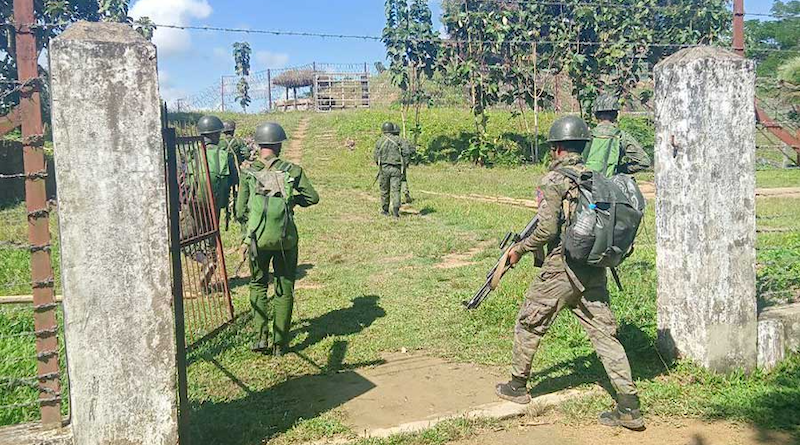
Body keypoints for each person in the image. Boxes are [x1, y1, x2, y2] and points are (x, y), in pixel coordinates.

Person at [495, 115, 645, 431]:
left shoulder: (554, 181)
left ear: (558, 148)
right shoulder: (595, 177)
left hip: (561, 268)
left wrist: (519, 249)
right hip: (593, 267)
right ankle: (629, 406)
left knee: (530, 322)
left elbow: (547, 229)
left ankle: (517, 386)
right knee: (604, 334)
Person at [235, 122, 319, 355]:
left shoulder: (249, 172)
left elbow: (240, 210)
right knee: (284, 286)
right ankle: (280, 343)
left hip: (257, 239)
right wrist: (292, 202)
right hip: (286, 239)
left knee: (258, 284)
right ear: (278, 145)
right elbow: (313, 198)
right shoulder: (292, 170)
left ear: (260, 145)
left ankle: (260, 338)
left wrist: (248, 231)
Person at [584, 93, 651, 176]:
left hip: (587, 184)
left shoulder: (585, 135)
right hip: (610, 184)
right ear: (615, 115)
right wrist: (619, 169)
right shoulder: (622, 136)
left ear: (596, 115)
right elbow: (644, 162)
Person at [197, 115, 238, 225]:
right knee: (212, 229)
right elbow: (235, 180)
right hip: (215, 200)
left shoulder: (193, 153)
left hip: (194, 201)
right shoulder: (225, 155)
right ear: (216, 135)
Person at [374, 122, 403, 217]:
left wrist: (379, 164)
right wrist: (404, 164)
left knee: (384, 190)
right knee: (396, 190)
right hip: (396, 168)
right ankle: (395, 210)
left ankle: (385, 210)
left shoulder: (380, 141)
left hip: (384, 168)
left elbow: (375, 155)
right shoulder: (398, 140)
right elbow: (406, 151)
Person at [391, 123, 416, 204]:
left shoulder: (389, 141)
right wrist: (406, 162)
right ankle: (406, 192)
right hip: (402, 163)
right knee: (403, 178)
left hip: (393, 163)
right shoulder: (403, 140)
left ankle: (394, 199)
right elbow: (411, 149)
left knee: (393, 181)